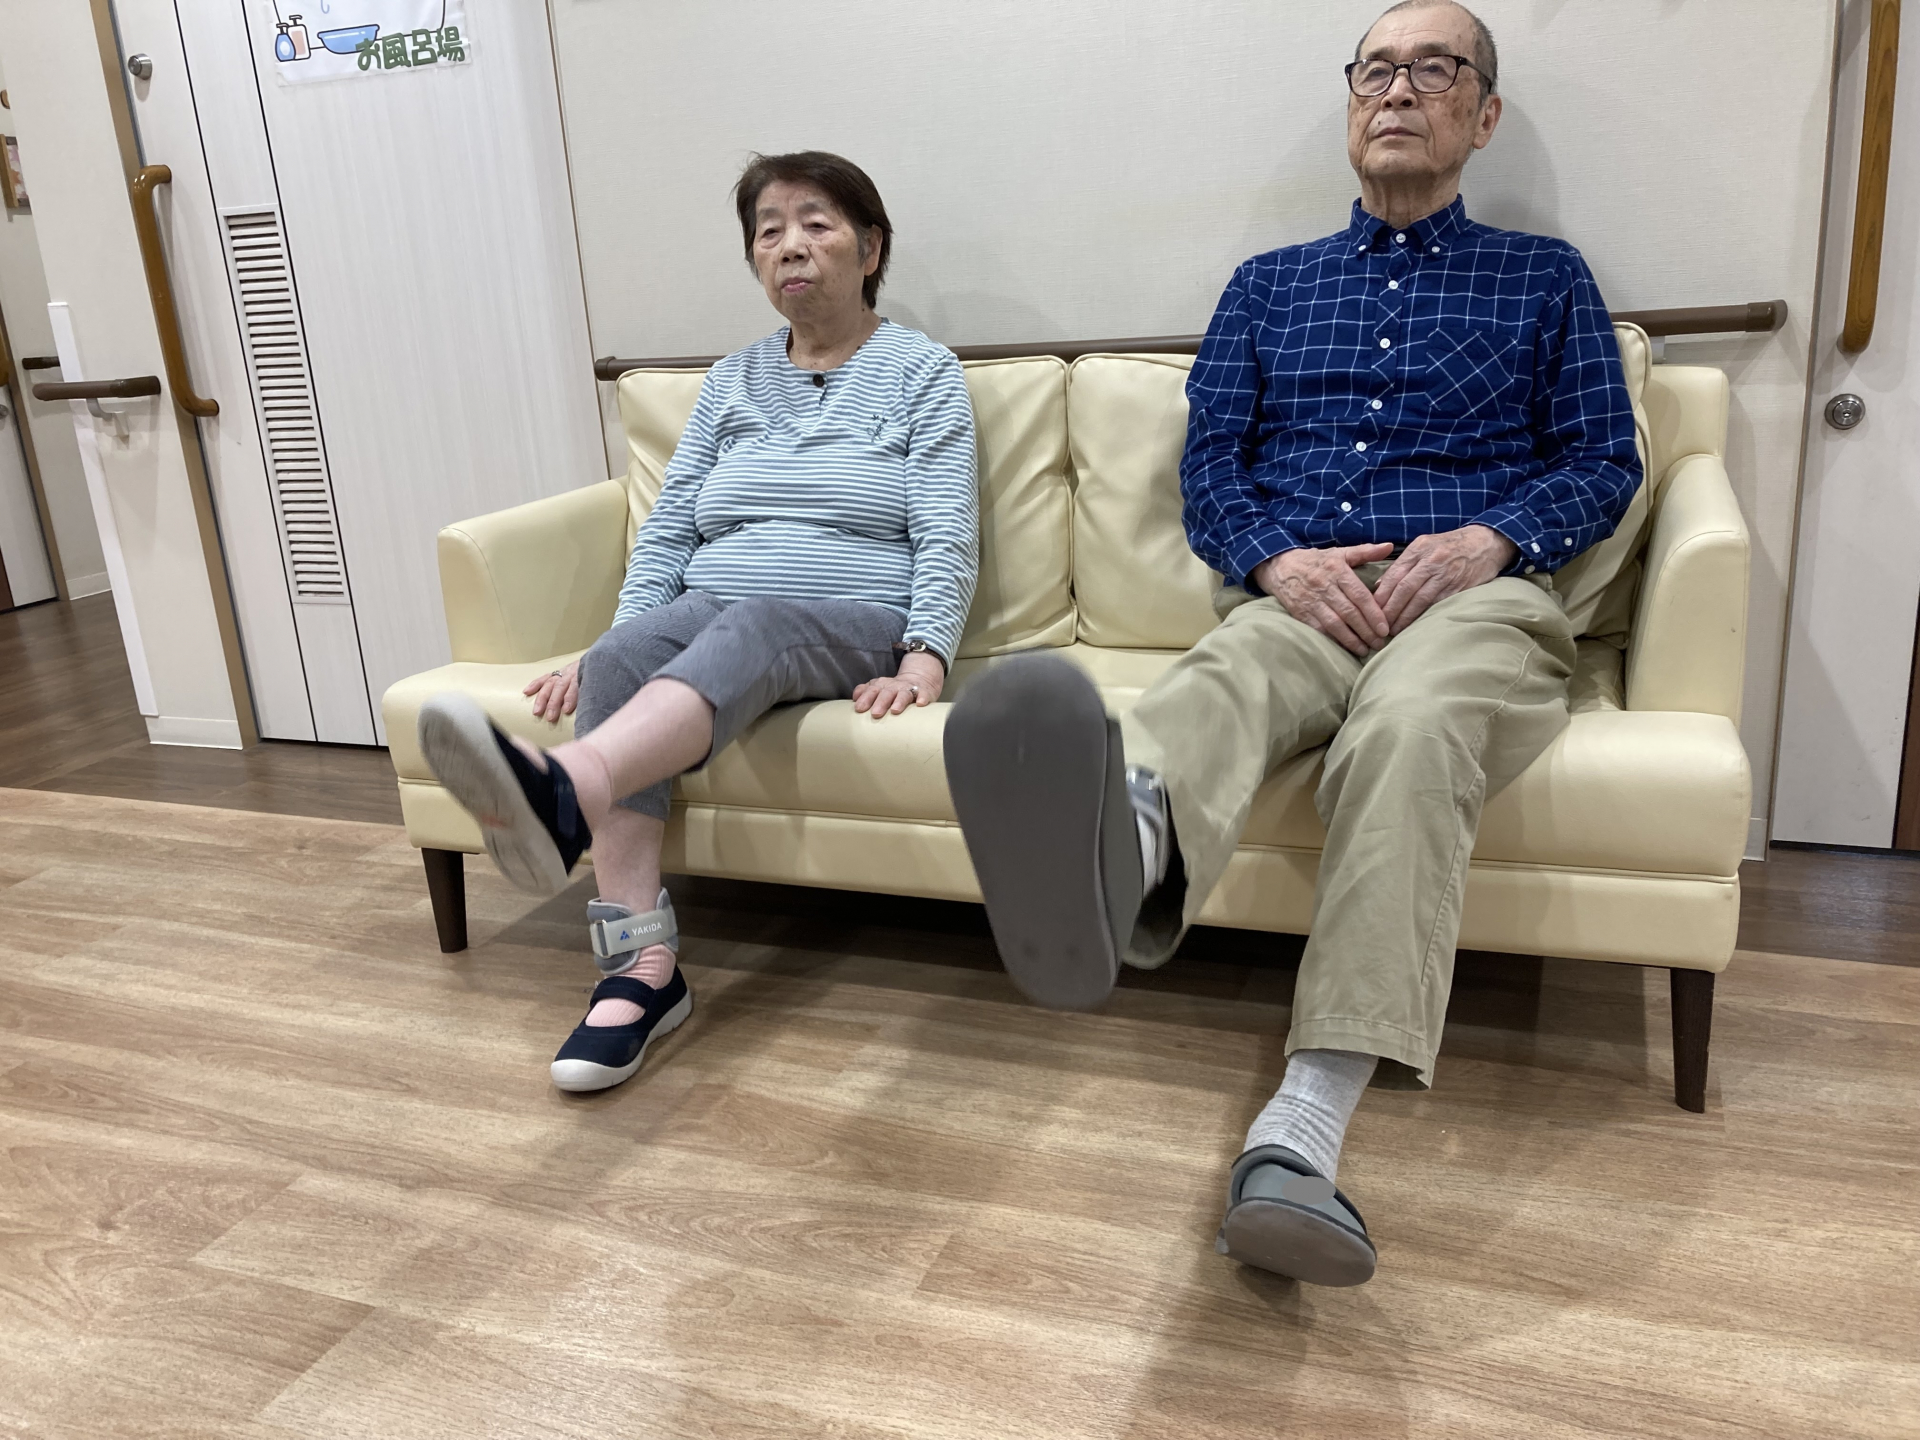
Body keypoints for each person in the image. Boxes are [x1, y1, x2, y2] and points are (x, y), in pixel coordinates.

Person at [943, 1, 1639, 1287]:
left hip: (1474, 601)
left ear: (1483, 115)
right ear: (1351, 103)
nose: (1398, 91)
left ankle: (1303, 1131)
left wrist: (1485, 541)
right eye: (1375, 71)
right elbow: (1211, 468)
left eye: (1434, 69)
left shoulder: (1547, 280)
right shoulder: (1267, 287)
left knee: (1410, 730)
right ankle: (1117, 852)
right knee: (1232, 672)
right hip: (1305, 592)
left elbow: (1605, 460)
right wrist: (1277, 561)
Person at [420, 151, 978, 1095]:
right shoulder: (731, 382)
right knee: (622, 657)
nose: (790, 246)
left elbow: (948, 525)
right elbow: (671, 526)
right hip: (712, 607)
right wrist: (611, 640)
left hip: (853, 617)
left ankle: (567, 788)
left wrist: (924, 656)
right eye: (769, 231)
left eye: (816, 224)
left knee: (754, 621)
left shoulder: (921, 373)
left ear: (870, 248)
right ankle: (641, 971)